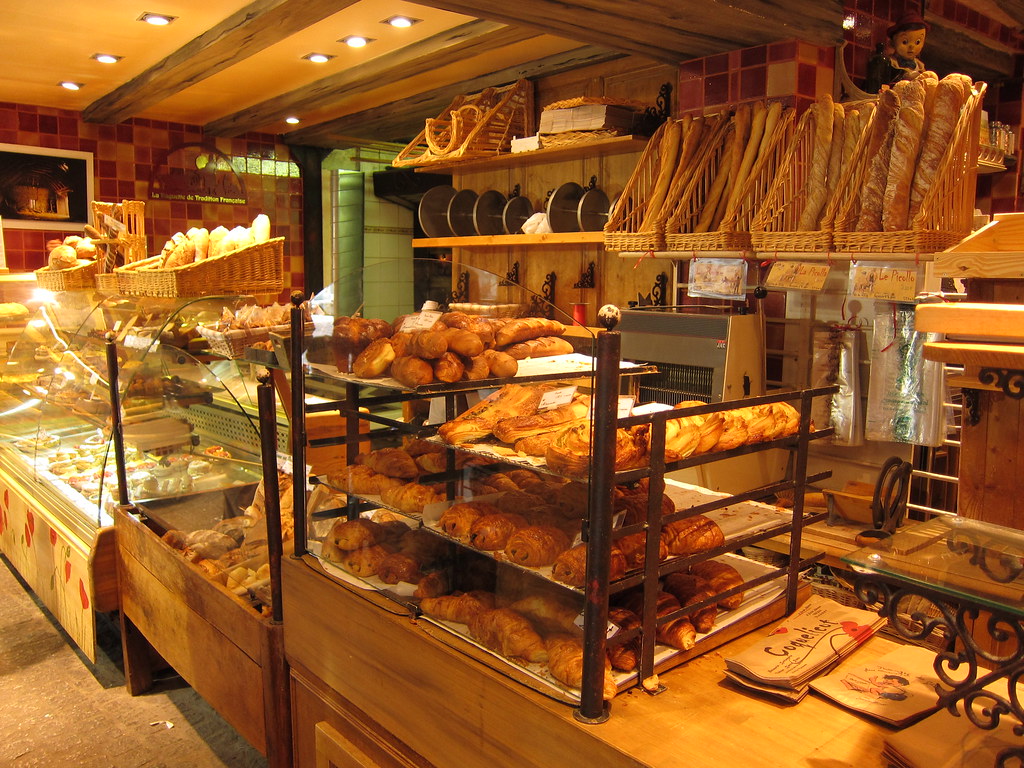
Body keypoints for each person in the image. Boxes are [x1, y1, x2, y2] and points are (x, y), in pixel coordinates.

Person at [864, 13, 929, 93]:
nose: (911, 47)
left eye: (917, 42)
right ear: (893, 42)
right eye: (905, 42)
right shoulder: (890, 63)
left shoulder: (920, 67)